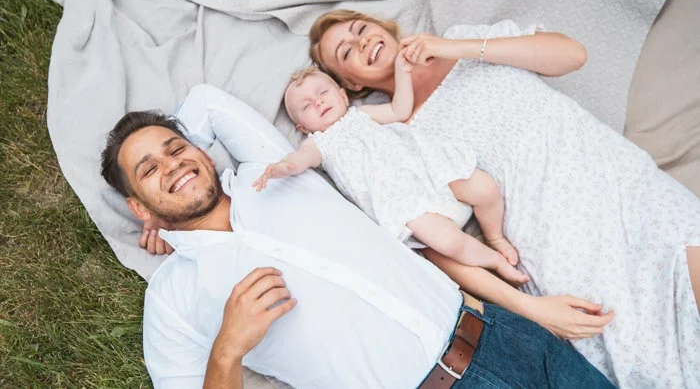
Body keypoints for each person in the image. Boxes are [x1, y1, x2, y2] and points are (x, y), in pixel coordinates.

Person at [100, 83, 614, 388]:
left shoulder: (269, 172)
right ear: (136, 205)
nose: (173, 165)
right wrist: (227, 349)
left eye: (176, 148)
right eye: (149, 170)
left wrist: (163, 196)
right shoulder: (172, 298)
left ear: (201, 151)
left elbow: (206, 100)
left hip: (504, 334)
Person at [310, 9, 700, 387]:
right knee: (651, 363)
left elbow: (571, 55)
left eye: (361, 29)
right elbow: (435, 245)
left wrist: (453, 48)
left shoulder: (461, 39)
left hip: (625, 189)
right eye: (346, 52)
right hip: (560, 248)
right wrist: (532, 310)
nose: (362, 42)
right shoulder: (387, 138)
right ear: (350, 84)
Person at [252, 65, 528, 285]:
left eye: (322, 92)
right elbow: (300, 160)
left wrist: (402, 73)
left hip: (429, 170)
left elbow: (399, 110)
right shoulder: (319, 144)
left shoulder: (362, 114)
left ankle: (495, 236)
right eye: (306, 106)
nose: (318, 102)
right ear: (302, 127)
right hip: (403, 203)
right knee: (450, 243)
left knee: (486, 189)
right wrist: (283, 167)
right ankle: (494, 259)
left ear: (343, 95)